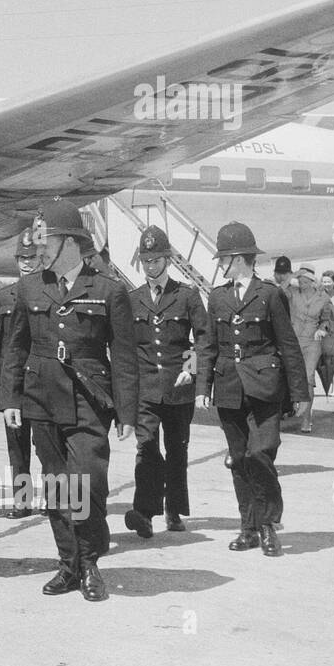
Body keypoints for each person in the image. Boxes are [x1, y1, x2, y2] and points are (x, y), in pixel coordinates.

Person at [0, 202, 138, 602]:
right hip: (41, 400)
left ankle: (91, 559)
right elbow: (16, 347)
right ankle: (70, 565)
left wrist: (127, 412)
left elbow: (125, 358)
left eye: (47, 241)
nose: (39, 250)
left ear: (71, 242)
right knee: (57, 488)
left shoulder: (109, 291)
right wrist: (11, 398)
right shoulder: (29, 288)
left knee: (89, 483)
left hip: (88, 399)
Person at [197, 222, 309, 553]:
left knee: (260, 454)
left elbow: (288, 345)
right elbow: (208, 346)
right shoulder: (217, 297)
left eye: (223, 259)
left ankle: (269, 524)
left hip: (265, 389)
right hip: (229, 387)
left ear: (239, 259)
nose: (219, 265)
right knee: (238, 459)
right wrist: (203, 387)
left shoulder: (270, 295)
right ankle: (248, 529)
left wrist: (300, 393)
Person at [126, 226, 207, 535]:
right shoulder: (132, 298)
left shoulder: (186, 295)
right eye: (146, 261)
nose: (151, 266)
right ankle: (144, 513)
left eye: (156, 260)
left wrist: (192, 367)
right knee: (146, 448)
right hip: (145, 387)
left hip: (178, 388)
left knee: (177, 450)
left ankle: (173, 510)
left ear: (167, 260)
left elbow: (202, 337)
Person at [0, 228, 40, 517]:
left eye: (33, 257)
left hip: (42, 379)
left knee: (48, 444)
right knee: (16, 445)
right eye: (22, 258)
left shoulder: (49, 293)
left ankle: (55, 499)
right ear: (16, 261)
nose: (27, 263)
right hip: (11, 380)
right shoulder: (1, 297)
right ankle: (22, 500)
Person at [287, 265, 334, 433]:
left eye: (305, 280)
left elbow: (327, 319)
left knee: (308, 378)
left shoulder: (323, 297)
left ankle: (306, 419)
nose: (302, 283)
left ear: (312, 282)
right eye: (300, 280)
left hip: (312, 343)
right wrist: (295, 273)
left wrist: (322, 328)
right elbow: (282, 287)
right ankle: (295, 407)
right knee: (294, 377)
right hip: (294, 342)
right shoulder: (293, 294)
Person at [317, 271, 334, 396]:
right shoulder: (319, 295)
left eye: (328, 281)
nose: (326, 284)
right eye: (324, 281)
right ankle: (329, 383)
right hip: (326, 331)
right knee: (327, 359)